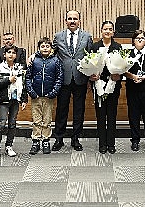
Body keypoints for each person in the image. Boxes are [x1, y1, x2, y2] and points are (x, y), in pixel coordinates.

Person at [52, 10, 93, 152]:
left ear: (79, 21)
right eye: (69, 19)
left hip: (80, 79)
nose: (72, 21)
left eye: (75, 19)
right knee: (61, 110)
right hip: (63, 79)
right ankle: (58, 139)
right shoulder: (58, 36)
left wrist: (90, 76)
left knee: (78, 110)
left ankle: (75, 139)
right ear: (65, 21)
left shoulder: (87, 36)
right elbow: (51, 55)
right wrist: (34, 56)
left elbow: (91, 57)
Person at [89, 21, 123, 154]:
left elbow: (122, 66)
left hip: (113, 85)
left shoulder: (118, 47)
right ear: (101, 31)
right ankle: (102, 143)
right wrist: (92, 76)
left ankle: (111, 143)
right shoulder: (94, 46)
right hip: (99, 85)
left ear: (113, 32)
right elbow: (90, 64)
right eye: (105, 29)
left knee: (112, 114)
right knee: (101, 115)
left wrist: (118, 75)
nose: (107, 31)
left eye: (110, 29)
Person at [25, 37, 63, 155]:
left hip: (48, 96)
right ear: (39, 48)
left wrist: (53, 92)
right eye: (42, 46)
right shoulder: (34, 60)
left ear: (51, 48)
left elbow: (59, 78)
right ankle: (36, 141)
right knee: (36, 120)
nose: (45, 48)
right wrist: (31, 92)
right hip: (36, 96)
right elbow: (28, 77)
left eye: (47, 46)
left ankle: (46, 140)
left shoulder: (56, 61)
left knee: (47, 119)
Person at [0, 45, 27, 160]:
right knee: (1, 124)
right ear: (4, 54)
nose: (11, 54)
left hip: (15, 100)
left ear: (16, 55)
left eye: (13, 53)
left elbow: (23, 84)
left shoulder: (19, 68)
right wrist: (8, 80)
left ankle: (9, 146)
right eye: (8, 52)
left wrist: (24, 99)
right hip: (4, 100)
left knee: (12, 124)